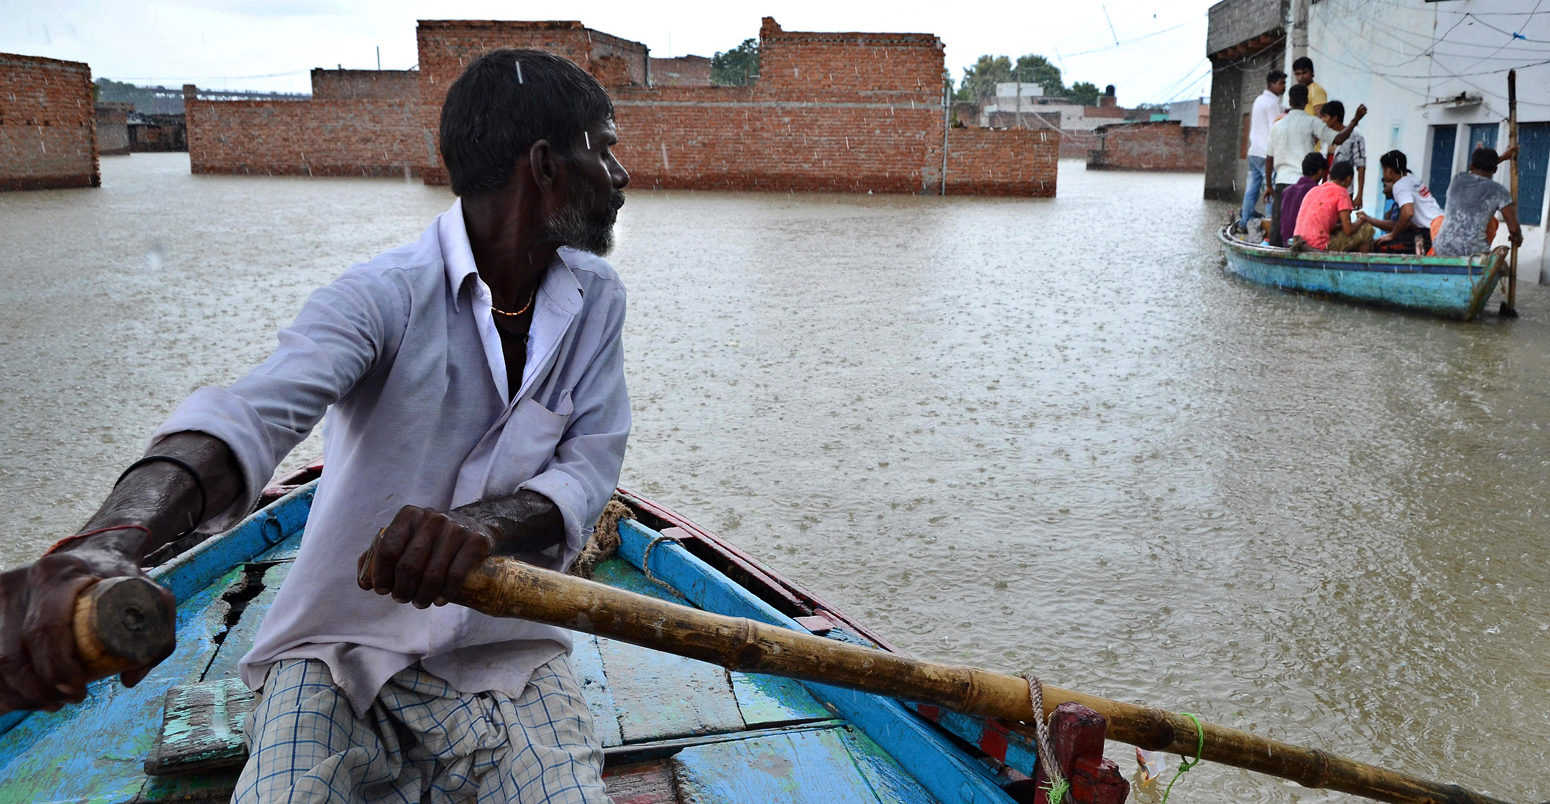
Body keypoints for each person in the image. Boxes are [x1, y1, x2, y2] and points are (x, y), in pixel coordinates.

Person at [0, 48, 630, 803]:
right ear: (545, 164)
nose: (621, 177)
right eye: (605, 149)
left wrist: (485, 523)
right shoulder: (379, 296)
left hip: (509, 657)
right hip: (338, 649)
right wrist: (111, 542)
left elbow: (588, 468)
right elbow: (252, 414)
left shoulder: (598, 301)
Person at [1266, 84, 1366, 246]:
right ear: (1306, 101)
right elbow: (1338, 139)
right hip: (1305, 183)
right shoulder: (1312, 122)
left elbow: (1269, 158)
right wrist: (1354, 121)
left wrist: (1269, 185)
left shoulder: (1277, 126)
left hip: (1281, 182)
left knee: (1278, 230)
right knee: (1304, 226)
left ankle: (1275, 258)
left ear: (1290, 101)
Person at [1433, 145, 1524, 257]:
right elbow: (1514, 229)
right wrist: (1518, 237)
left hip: (1441, 247)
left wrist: (1502, 158)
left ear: (1471, 166)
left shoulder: (1457, 179)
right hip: (1472, 251)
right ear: (1495, 170)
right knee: (1503, 269)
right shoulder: (1498, 190)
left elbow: (1477, 169)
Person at [1361, 150, 1442, 253]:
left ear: (1389, 171)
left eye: (1383, 170)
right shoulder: (1411, 178)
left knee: (1381, 246)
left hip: (1431, 231)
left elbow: (1408, 213)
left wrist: (1392, 235)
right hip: (1439, 225)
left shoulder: (1399, 185)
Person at [1240, 69, 1287, 231]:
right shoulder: (1272, 103)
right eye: (1281, 83)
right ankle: (1269, 224)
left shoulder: (1259, 100)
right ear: (1272, 84)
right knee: (1271, 189)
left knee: (1251, 190)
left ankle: (1244, 222)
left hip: (1254, 152)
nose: (1284, 86)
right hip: (1266, 153)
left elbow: (1280, 110)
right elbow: (1275, 127)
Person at [1293, 161, 1374, 253]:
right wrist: (1361, 220)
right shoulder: (1341, 192)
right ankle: (1361, 265)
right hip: (1319, 246)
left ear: (1330, 176)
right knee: (1367, 229)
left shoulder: (1314, 190)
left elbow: (1325, 225)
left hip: (1300, 242)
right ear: (1348, 179)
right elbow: (1348, 231)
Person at [1319, 101, 1365, 205]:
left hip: (1344, 190)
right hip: (1324, 188)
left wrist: (1359, 195)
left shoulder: (1355, 137)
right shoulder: (1325, 136)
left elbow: (1361, 167)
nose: (1322, 120)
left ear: (1334, 118)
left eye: (1325, 117)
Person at [1278, 152, 1328, 245]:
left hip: (1286, 243)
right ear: (1320, 171)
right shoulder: (1318, 191)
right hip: (1304, 244)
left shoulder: (1287, 191)